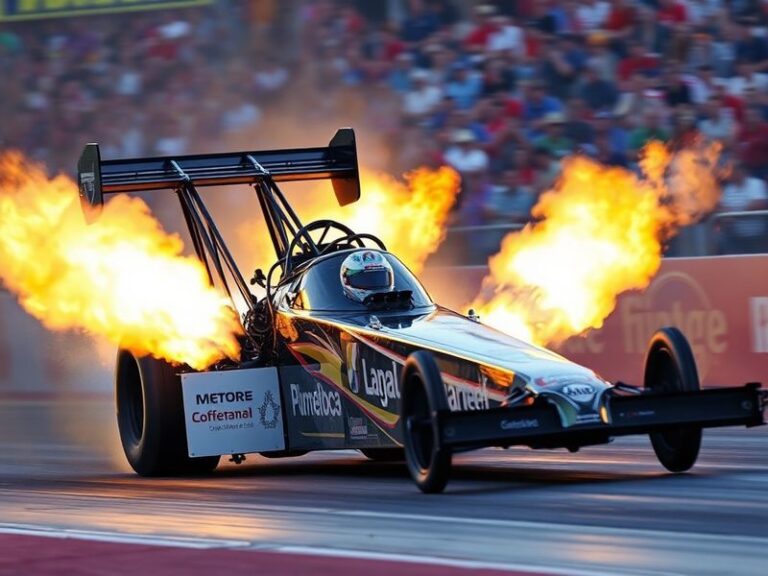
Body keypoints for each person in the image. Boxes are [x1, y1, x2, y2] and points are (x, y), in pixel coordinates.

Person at [717, 163, 768, 254]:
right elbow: (723, 209)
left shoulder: (756, 183)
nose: (731, 174)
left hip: (758, 235)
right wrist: (728, 216)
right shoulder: (728, 189)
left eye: (734, 171)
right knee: (719, 239)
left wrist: (736, 214)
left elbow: (759, 204)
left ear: (742, 171)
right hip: (735, 236)